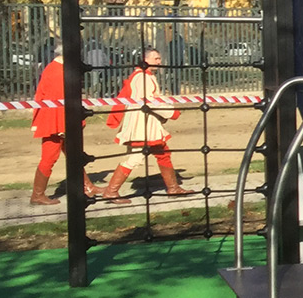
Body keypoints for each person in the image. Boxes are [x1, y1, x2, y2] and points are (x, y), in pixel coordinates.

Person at [102, 48, 191, 202]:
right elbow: (149, 101)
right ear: (146, 59)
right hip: (142, 125)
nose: (159, 61)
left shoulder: (144, 76)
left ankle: (173, 187)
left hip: (147, 123)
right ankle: (111, 191)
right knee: (134, 158)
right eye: (156, 58)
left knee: (163, 153)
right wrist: (172, 113)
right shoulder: (142, 77)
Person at [28, 45, 96, 205]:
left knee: (73, 154)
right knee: (49, 158)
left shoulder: (54, 69)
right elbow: (61, 103)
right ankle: (38, 194)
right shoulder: (59, 72)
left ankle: (88, 187)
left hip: (55, 121)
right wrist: (65, 126)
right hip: (55, 123)